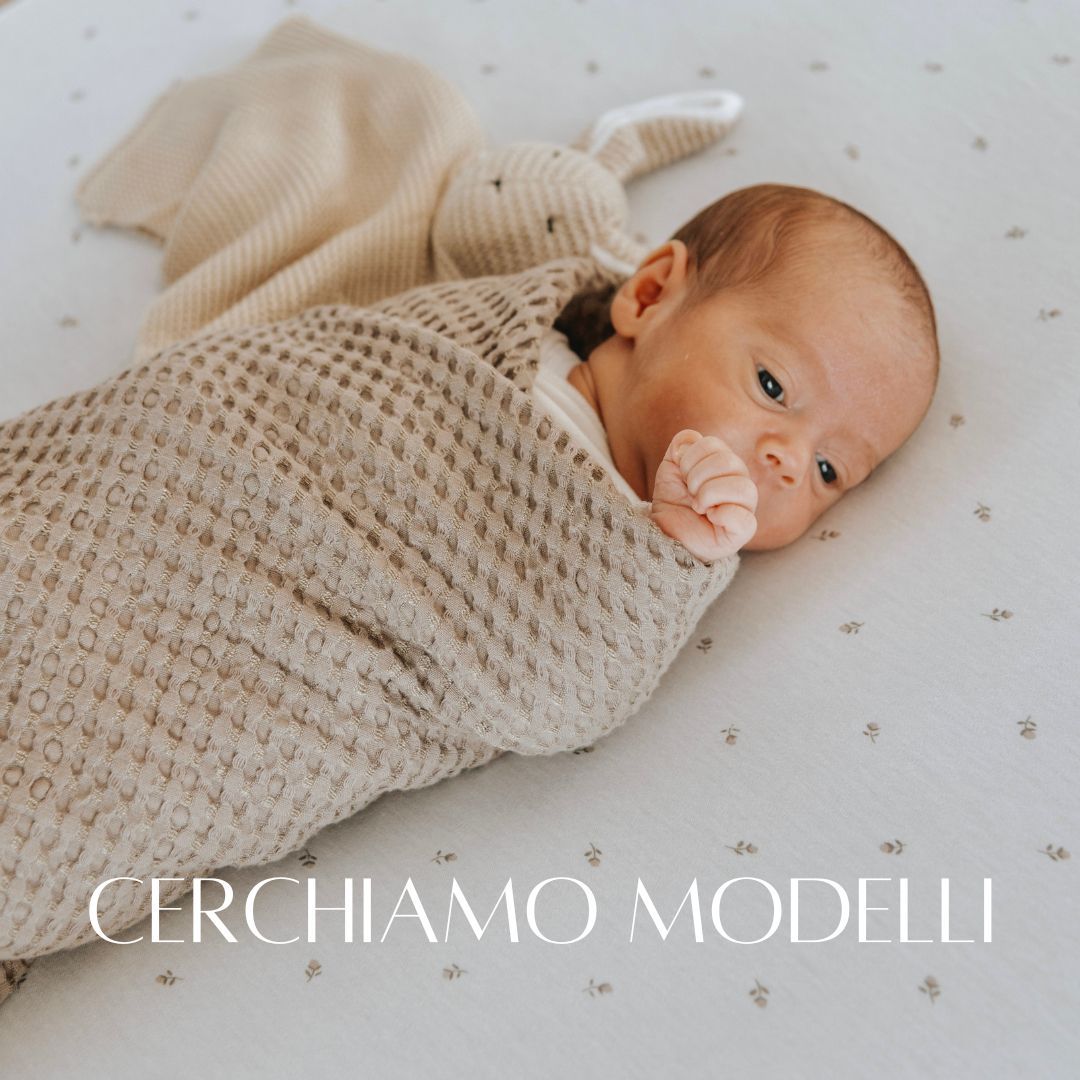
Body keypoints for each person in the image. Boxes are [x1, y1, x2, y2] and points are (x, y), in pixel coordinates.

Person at [536, 183, 940, 561]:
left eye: (827, 469)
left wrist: (672, 558)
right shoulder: (524, 343)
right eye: (772, 386)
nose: (792, 462)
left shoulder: (633, 569)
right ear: (651, 297)